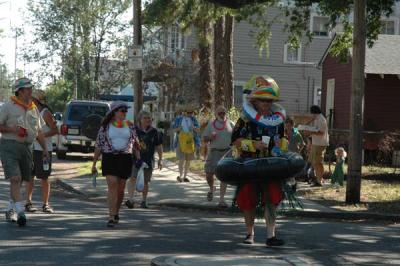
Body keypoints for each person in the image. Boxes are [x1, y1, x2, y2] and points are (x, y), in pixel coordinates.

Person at [231, 75, 286, 247]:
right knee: (248, 199)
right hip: (250, 165)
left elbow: (283, 139)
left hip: (271, 165)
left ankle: (271, 235)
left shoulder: (277, 120)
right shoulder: (245, 119)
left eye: (270, 101)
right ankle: (250, 233)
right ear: (254, 101)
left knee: (273, 198)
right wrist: (253, 145)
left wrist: (281, 145)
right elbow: (235, 141)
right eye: (263, 100)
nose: (266, 104)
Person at [0, 78, 49, 226]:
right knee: (15, 178)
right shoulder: (8, 106)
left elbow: (39, 131)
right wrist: (12, 129)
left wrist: (45, 149)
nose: (30, 90)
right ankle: (20, 212)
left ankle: (10, 208)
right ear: (20, 91)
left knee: (21, 179)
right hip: (9, 145)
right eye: (27, 88)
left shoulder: (33, 108)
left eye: (30, 88)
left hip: (28, 147)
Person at [92, 101, 140, 227]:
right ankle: (111, 216)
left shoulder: (130, 126)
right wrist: (94, 163)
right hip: (109, 158)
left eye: (125, 111)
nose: (124, 113)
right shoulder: (105, 127)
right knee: (112, 184)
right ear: (114, 112)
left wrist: (139, 158)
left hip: (125, 158)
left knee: (120, 189)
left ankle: (116, 212)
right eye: (122, 110)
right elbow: (98, 145)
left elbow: (136, 143)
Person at [25, 92, 58, 213]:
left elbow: (55, 130)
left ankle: (45, 204)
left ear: (37, 100)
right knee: (29, 176)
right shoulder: (29, 111)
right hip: (30, 149)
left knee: (44, 177)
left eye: (31, 98)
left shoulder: (45, 113)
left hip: (43, 151)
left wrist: (41, 136)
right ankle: (28, 203)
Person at [125, 110, 163, 209]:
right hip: (135, 160)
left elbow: (159, 146)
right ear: (140, 119)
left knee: (145, 181)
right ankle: (131, 200)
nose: (148, 120)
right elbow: (130, 144)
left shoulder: (154, 131)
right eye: (145, 118)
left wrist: (160, 159)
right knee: (132, 178)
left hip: (148, 160)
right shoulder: (134, 130)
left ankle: (144, 201)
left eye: (149, 118)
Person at [202, 106, 234, 207]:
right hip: (214, 151)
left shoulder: (231, 123)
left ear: (226, 113)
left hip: (227, 152)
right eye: (219, 112)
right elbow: (204, 139)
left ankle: (221, 200)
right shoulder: (211, 124)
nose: (222, 114)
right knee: (208, 174)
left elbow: (237, 137)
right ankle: (212, 188)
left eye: (223, 112)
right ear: (216, 114)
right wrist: (210, 137)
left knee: (224, 176)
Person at [172, 107, 200, 182]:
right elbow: (174, 130)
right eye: (188, 112)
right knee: (181, 159)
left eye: (192, 112)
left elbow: (198, 130)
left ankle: (185, 176)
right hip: (180, 142)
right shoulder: (178, 119)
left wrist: (193, 127)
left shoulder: (194, 119)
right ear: (184, 112)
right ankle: (180, 176)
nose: (190, 114)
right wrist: (179, 128)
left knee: (188, 160)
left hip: (190, 142)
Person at [305, 105, 329, 186]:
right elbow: (315, 129)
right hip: (315, 143)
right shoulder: (317, 119)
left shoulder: (321, 120)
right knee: (314, 162)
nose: (311, 115)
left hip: (320, 143)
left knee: (318, 162)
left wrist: (311, 132)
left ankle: (319, 180)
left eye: (312, 113)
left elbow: (321, 132)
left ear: (315, 112)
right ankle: (318, 179)